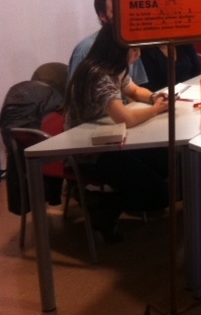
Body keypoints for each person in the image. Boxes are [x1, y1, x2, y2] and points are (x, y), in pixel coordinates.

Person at [64, 22, 170, 243]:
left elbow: (133, 90)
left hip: (109, 140)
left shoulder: (114, 67)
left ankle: (110, 200)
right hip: (90, 151)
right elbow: (126, 118)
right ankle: (101, 204)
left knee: (165, 161)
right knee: (160, 195)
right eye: (134, 49)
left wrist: (153, 97)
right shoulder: (98, 75)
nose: (138, 55)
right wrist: (155, 109)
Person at [68, 0, 148, 85]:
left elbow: (137, 85)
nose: (123, 15)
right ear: (103, 16)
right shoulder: (84, 49)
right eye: (116, 11)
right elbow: (75, 91)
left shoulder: (128, 42)